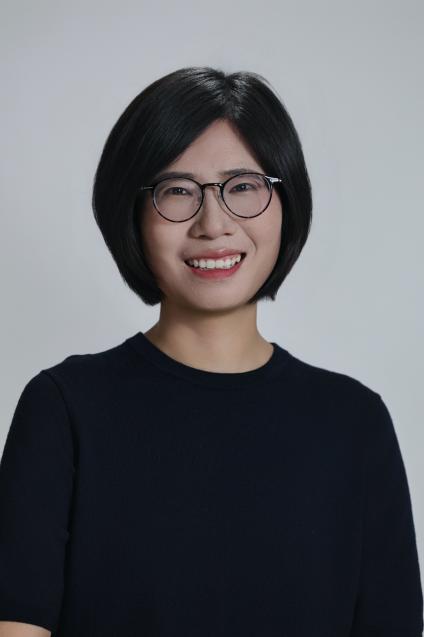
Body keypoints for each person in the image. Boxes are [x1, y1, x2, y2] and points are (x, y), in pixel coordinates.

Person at [0, 66, 422, 637]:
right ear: (132, 213)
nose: (213, 223)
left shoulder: (355, 423)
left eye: (242, 186)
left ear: (285, 200)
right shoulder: (64, 409)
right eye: (177, 190)